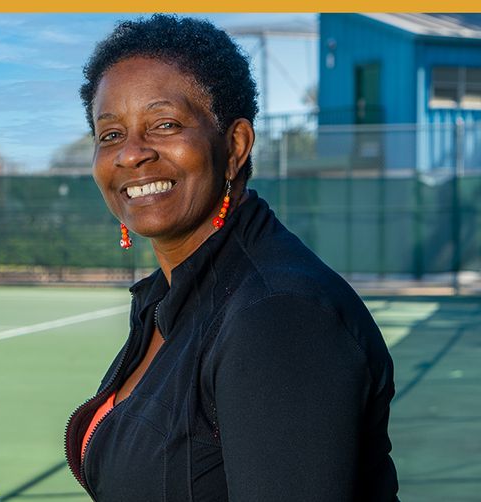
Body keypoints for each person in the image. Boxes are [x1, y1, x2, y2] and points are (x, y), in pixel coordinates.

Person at [63, 15, 400, 501]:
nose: (131, 154)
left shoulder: (278, 316)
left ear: (235, 145)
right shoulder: (168, 297)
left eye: (165, 125)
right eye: (110, 134)